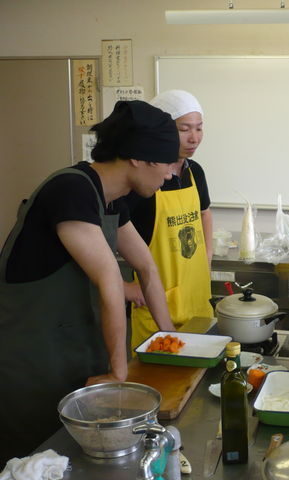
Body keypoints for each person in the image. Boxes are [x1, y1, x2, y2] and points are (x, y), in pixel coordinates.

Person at [0, 100, 178, 463]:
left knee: (78, 455)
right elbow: (110, 279)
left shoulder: (111, 199)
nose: (171, 174)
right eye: (167, 162)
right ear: (138, 157)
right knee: (34, 459)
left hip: (75, 345)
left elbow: (146, 268)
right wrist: (118, 372)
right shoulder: (71, 189)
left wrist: (173, 341)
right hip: (35, 355)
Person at [125, 90, 213, 352]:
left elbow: (204, 212)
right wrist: (126, 288)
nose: (194, 137)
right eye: (184, 129)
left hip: (197, 301)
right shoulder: (144, 178)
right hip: (155, 306)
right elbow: (109, 232)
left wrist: (207, 258)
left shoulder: (195, 172)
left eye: (199, 128)